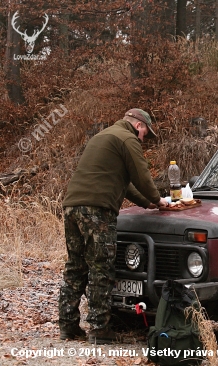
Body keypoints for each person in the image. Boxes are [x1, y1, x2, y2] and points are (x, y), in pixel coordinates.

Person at [58, 108, 168, 344]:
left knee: (75, 266)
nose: (144, 140)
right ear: (139, 126)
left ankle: (67, 325)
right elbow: (141, 175)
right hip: (97, 210)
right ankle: (99, 329)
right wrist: (159, 200)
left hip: (72, 207)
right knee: (101, 266)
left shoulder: (103, 137)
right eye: (146, 134)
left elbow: (125, 184)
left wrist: (147, 203)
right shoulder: (128, 139)